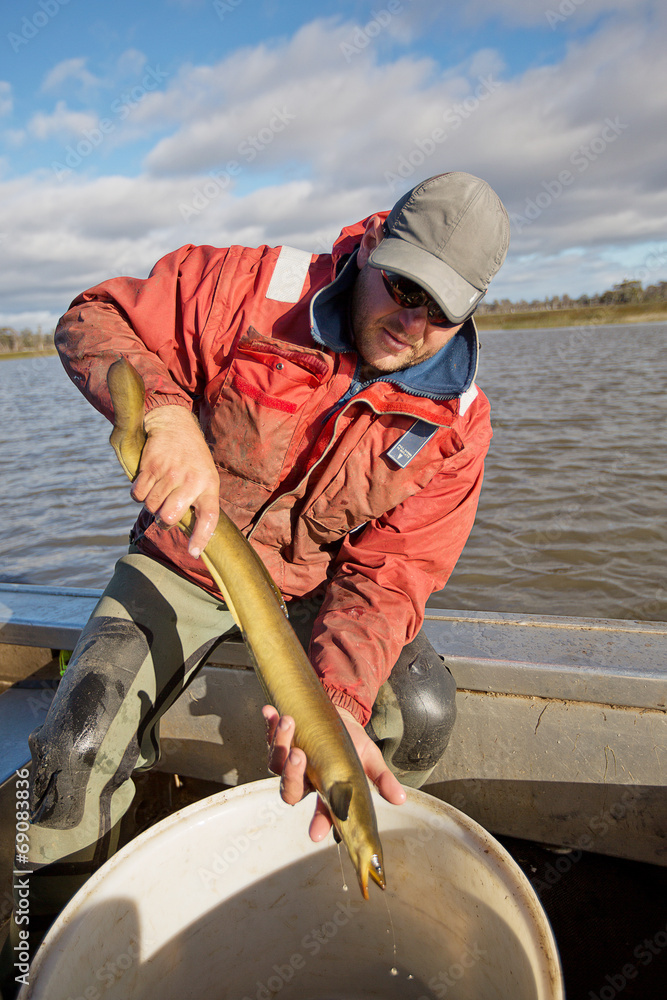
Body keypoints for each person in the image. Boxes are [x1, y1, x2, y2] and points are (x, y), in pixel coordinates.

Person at [0, 171, 508, 997]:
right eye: (401, 285)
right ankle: (53, 954)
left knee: (411, 719)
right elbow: (94, 317)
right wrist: (162, 415)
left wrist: (336, 699)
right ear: (372, 251)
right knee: (72, 750)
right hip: (186, 556)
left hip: (316, 587)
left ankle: (319, 896)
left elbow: (389, 577)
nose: (410, 321)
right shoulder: (252, 289)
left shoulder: (457, 424)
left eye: (439, 308)